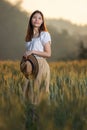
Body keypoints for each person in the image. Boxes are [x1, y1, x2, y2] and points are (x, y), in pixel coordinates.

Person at [23, 10, 51, 104]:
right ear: (31, 20)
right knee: (28, 93)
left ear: (42, 21)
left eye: (39, 18)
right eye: (34, 17)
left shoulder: (44, 34)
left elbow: (48, 54)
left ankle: (40, 117)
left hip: (41, 65)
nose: (37, 20)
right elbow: (28, 52)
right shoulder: (29, 36)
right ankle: (30, 117)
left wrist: (33, 51)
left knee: (39, 93)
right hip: (30, 66)